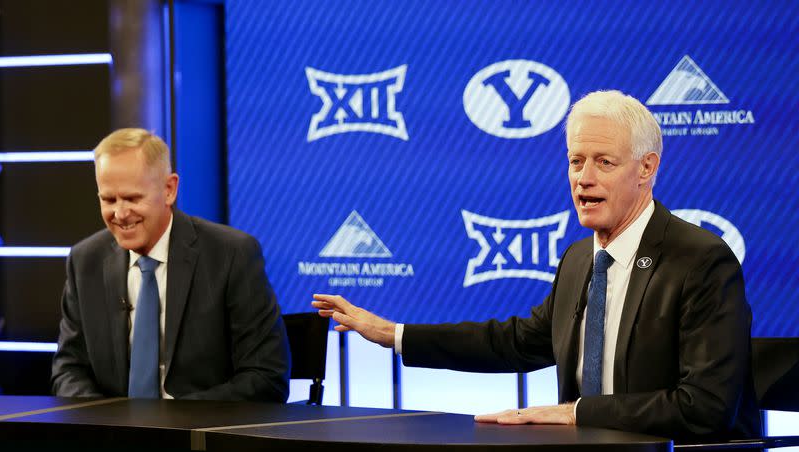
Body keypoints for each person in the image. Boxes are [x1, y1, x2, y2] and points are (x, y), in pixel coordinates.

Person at [313, 90, 760, 442]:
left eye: (604, 162)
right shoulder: (580, 259)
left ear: (646, 168)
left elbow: (705, 406)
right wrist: (394, 334)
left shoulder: (700, 260)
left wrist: (573, 413)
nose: (584, 178)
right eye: (576, 161)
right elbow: (515, 342)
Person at [51, 128, 290, 402]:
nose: (120, 213)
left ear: (169, 190)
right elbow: (68, 369)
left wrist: (174, 423)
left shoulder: (231, 255)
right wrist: (108, 422)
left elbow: (266, 377)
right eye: (108, 199)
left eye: (132, 198)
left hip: (202, 435)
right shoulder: (85, 261)